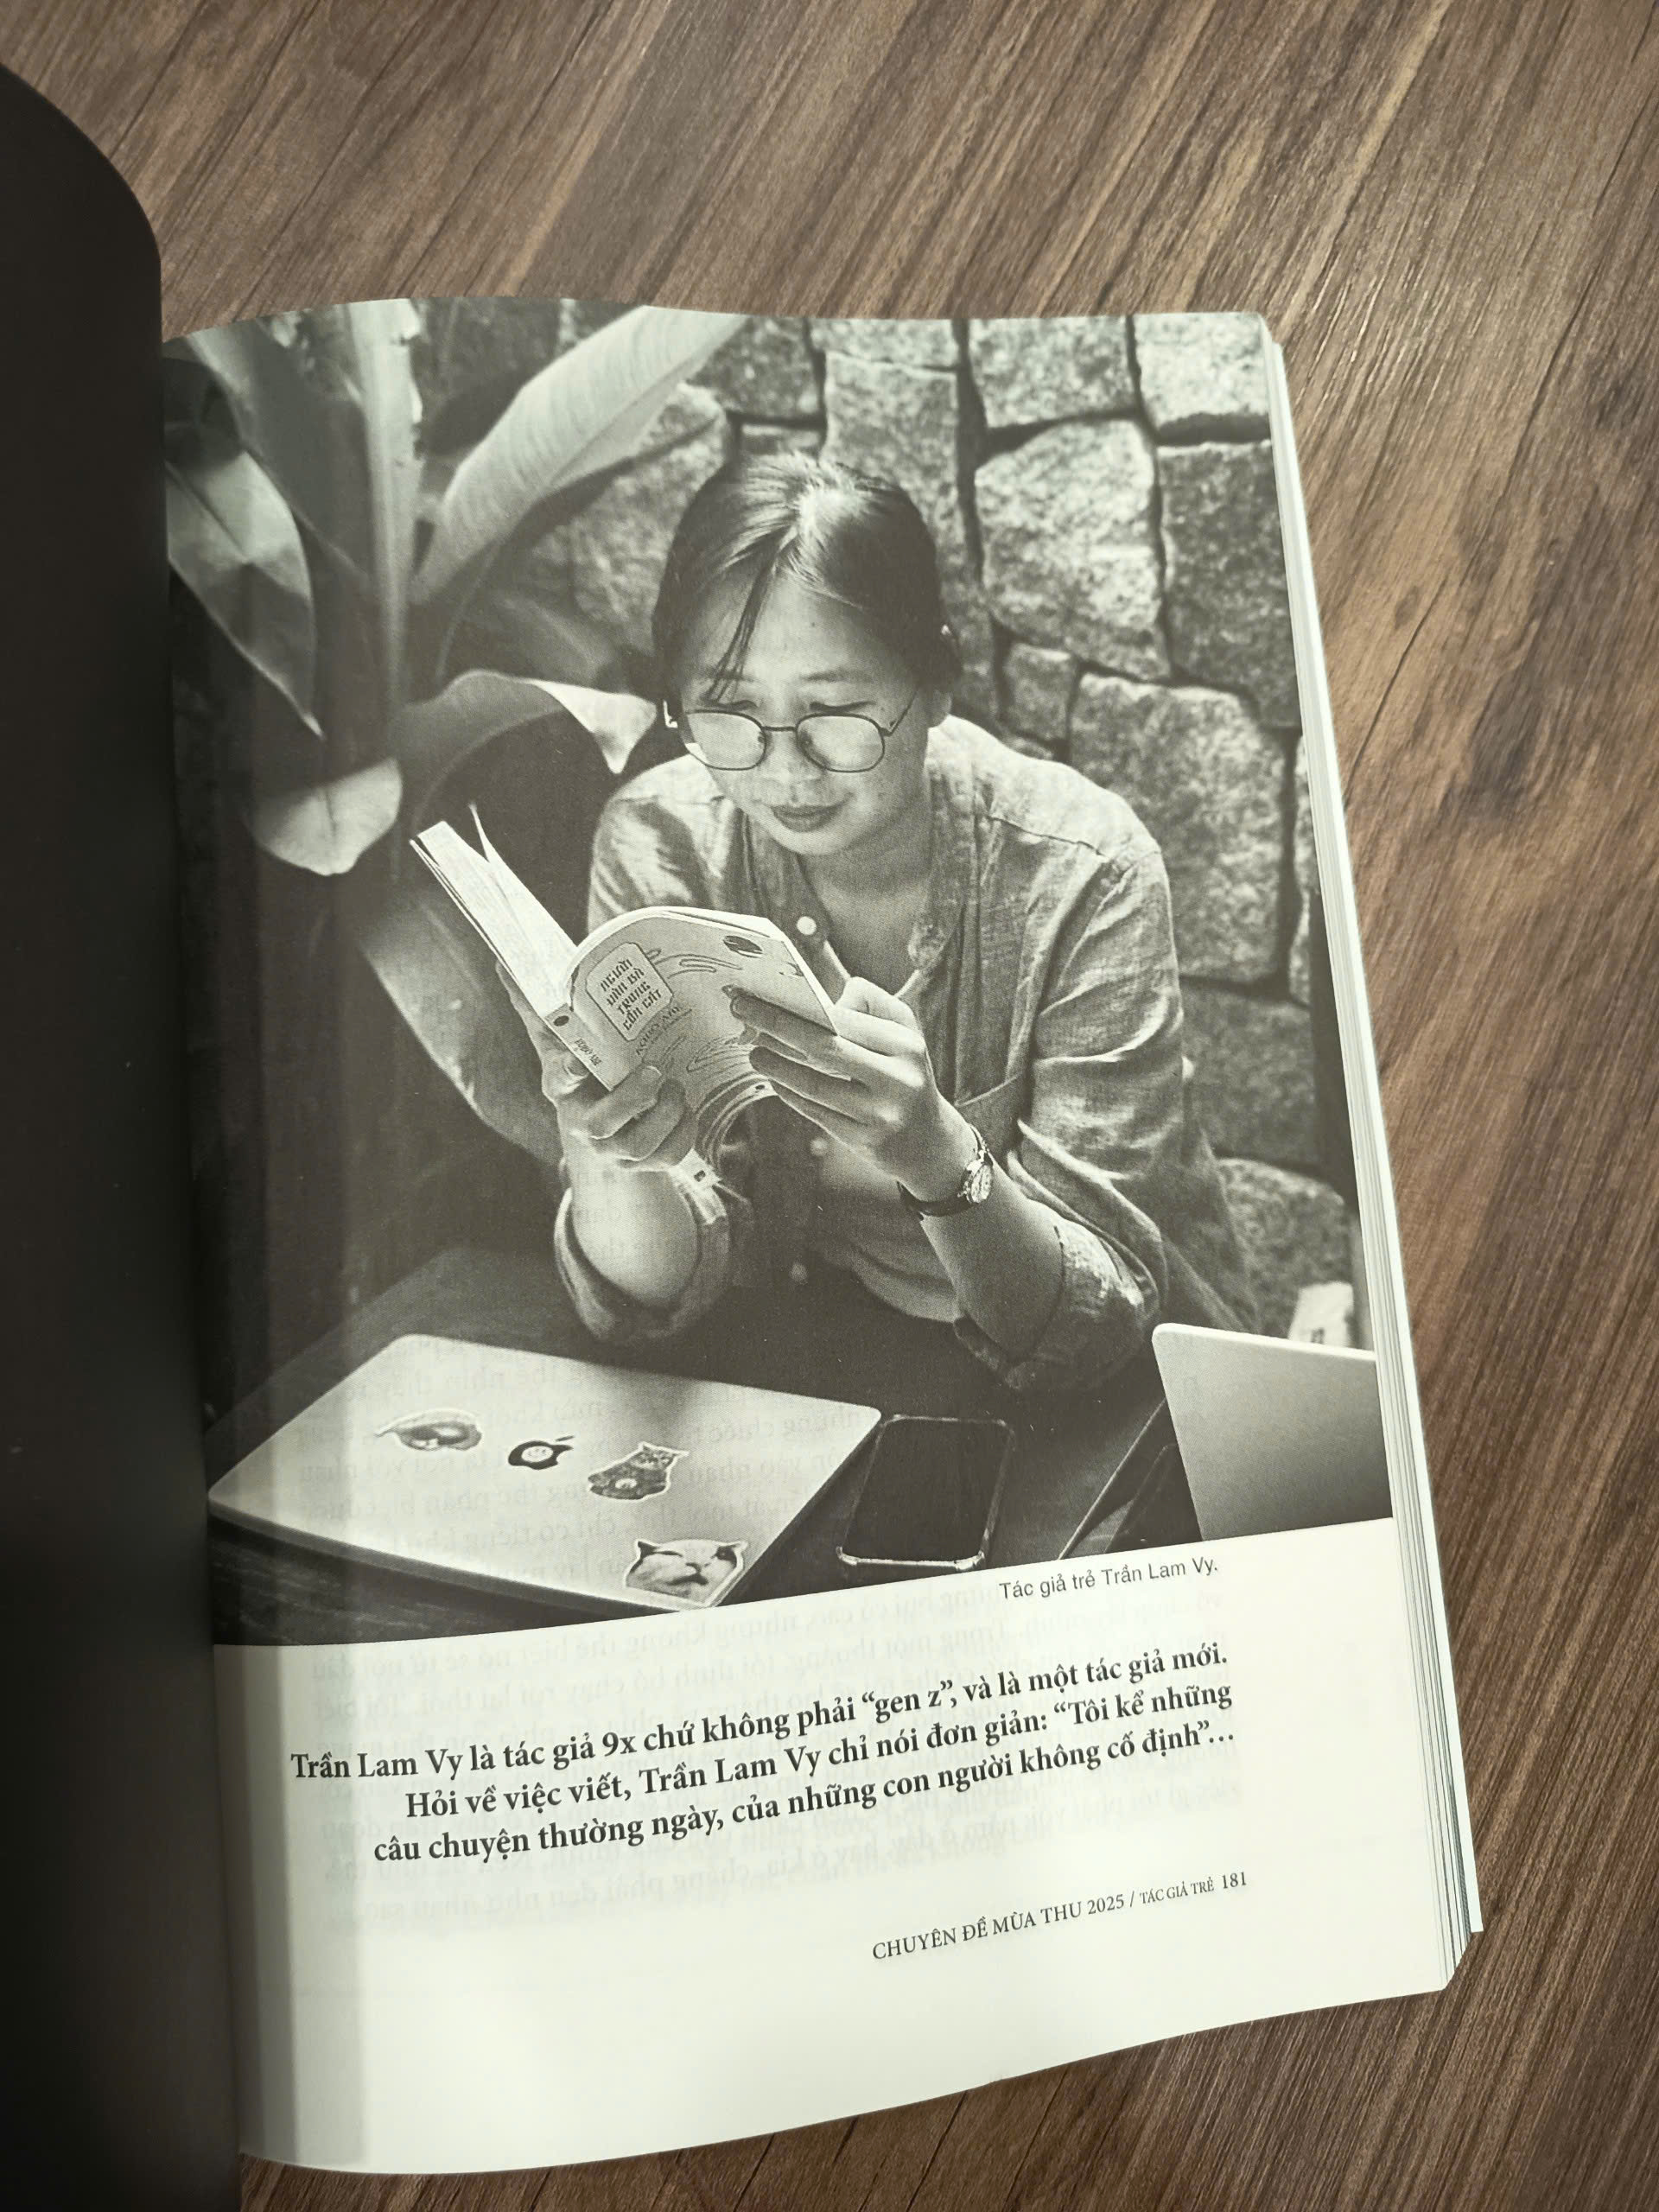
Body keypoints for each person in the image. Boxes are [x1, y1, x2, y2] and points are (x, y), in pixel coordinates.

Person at [504, 453, 1255, 1393]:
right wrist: (605, 1146)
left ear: (935, 685)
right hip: (820, 1370)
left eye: (836, 711)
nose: (786, 770)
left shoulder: (1084, 870)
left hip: (1123, 1400)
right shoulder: (662, 839)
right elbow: (654, 1296)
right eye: (729, 709)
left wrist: (935, 1152)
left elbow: (1096, 1322)